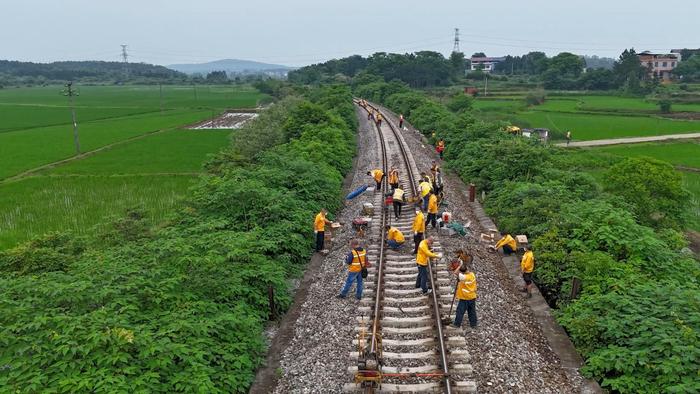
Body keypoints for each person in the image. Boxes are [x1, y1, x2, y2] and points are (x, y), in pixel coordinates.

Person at [452, 263, 477, 329]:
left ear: (462, 272)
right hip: (472, 296)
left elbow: (455, 272)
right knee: (472, 311)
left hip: (465, 298)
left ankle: (457, 324)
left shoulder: (464, 277)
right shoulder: (472, 275)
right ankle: (474, 324)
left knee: (460, 311)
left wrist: (460, 265)